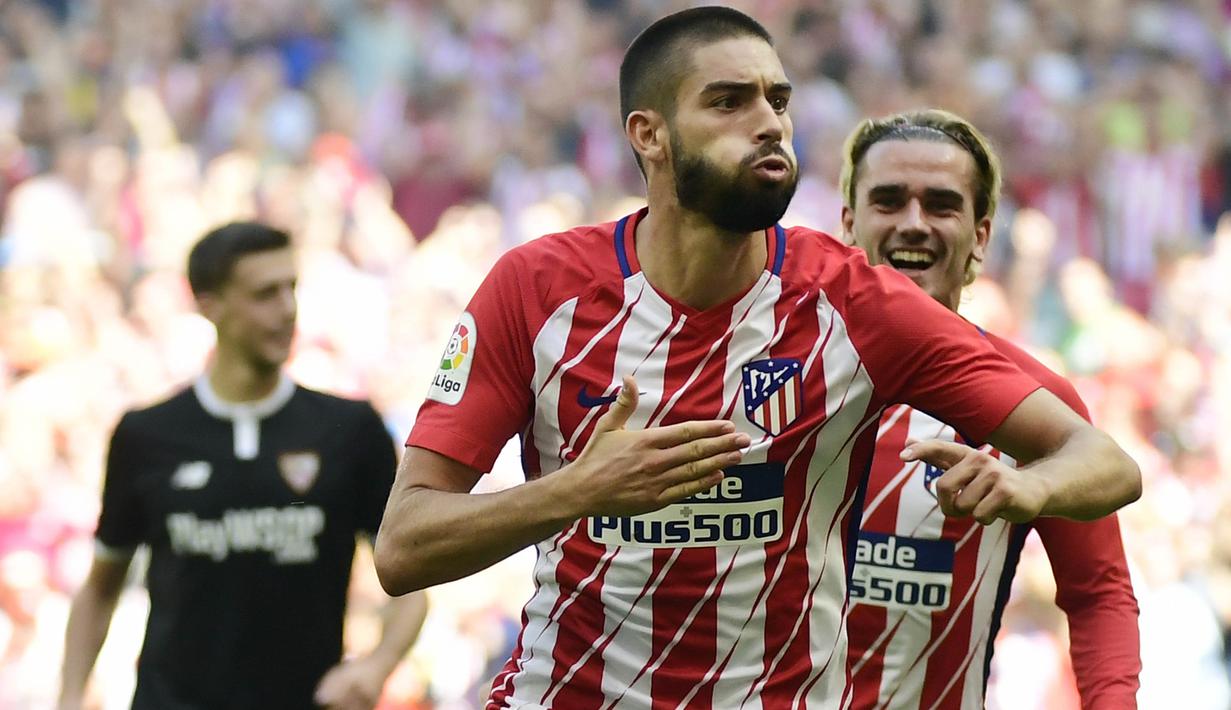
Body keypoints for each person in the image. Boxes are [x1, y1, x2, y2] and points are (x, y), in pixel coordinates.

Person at [374, 7, 1140, 708]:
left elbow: (1104, 463)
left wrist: (1026, 484)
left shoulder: (858, 304)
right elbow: (404, 546)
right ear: (650, 134)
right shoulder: (535, 290)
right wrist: (574, 491)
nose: (769, 122)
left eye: (778, 100)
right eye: (728, 101)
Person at [839, 109, 1141, 709]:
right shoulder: (779, 370)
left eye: (942, 205)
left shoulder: (1034, 404)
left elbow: (1098, 593)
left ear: (980, 235)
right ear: (849, 223)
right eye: (889, 201)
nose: (914, 224)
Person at [58, 222, 427, 710]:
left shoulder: (350, 430)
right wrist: (67, 697)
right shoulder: (146, 436)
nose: (287, 310)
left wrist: (376, 665)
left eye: (290, 289)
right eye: (264, 294)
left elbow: (411, 582)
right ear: (210, 306)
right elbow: (101, 586)